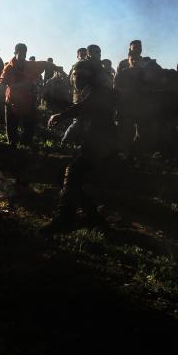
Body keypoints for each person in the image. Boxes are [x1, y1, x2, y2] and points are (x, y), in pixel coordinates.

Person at [48, 44, 116, 229]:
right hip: (96, 139)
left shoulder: (98, 91)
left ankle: (65, 218)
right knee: (66, 175)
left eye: (80, 74)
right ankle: (93, 218)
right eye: (75, 74)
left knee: (72, 171)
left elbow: (86, 107)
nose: (76, 78)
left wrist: (61, 116)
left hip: (102, 141)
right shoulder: (89, 89)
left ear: (89, 76)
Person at [0, 43, 45, 148]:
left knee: (29, 125)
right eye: (20, 52)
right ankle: (12, 144)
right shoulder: (9, 67)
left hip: (27, 100)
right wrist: (1, 85)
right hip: (12, 100)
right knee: (11, 125)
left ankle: (26, 144)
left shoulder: (30, 65)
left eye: (24, 53)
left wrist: (58, 69)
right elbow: (2, 81)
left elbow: (45, 64)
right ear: (15, 52)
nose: (22, 55)